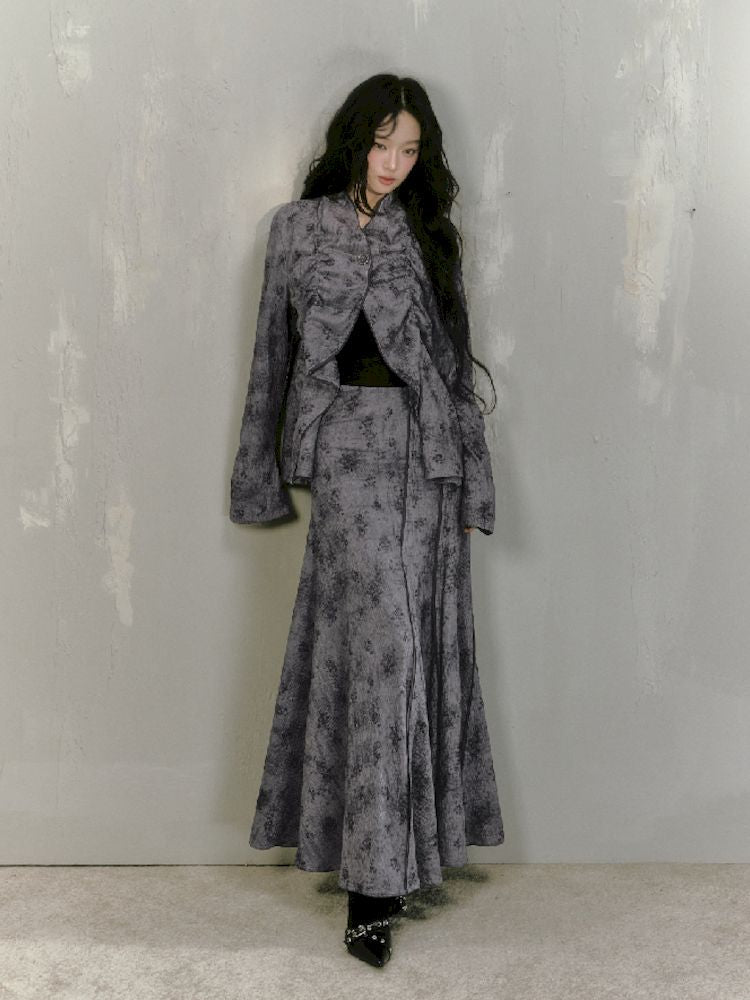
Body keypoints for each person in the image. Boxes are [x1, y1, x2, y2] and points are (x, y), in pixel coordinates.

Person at [229, 73, 504, 969]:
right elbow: (271, 359)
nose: (393, 165)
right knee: (381, 653)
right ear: (355, 140)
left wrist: (473, 485)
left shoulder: (426, 235)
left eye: (410, 151)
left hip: (427, 461)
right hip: (346, 450)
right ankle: (371, 888)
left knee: (412, 655)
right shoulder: (296, 229)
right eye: (382, 145)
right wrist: (259, 482)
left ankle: (395, 868)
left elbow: (454, 369)